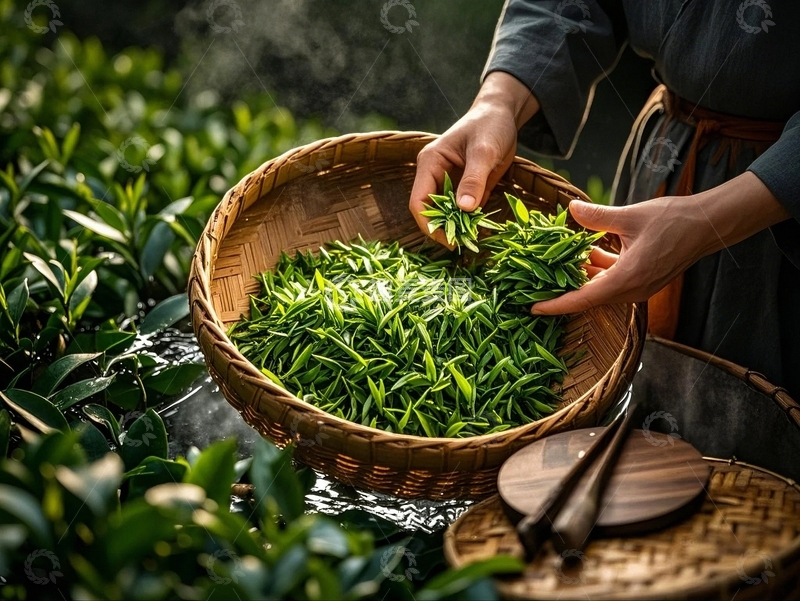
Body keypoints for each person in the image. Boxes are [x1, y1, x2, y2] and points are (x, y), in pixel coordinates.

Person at [409, 0, 800, 398]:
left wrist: (709, 219)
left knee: (760, 412)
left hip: (779, 211)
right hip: (665, 161)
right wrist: (499, 102)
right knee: (631, 399)